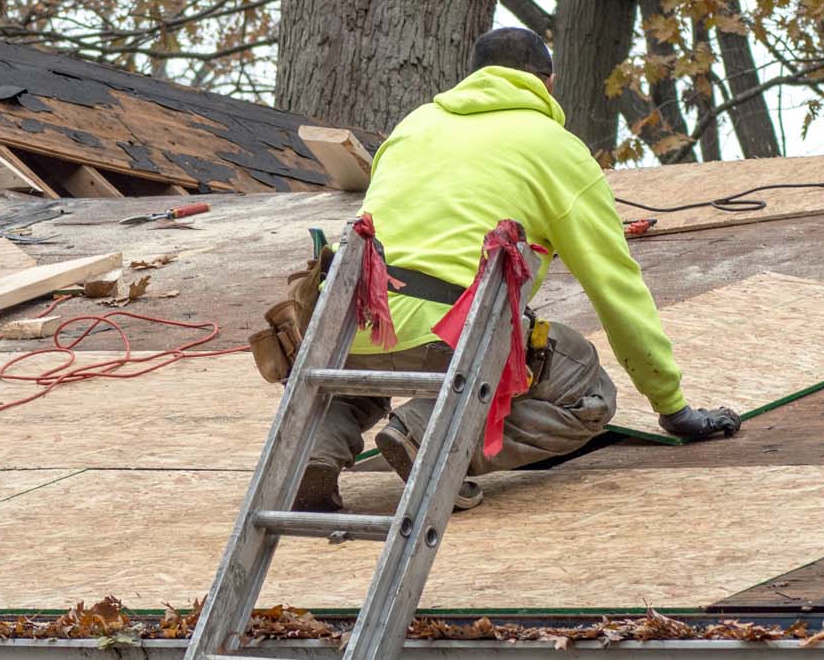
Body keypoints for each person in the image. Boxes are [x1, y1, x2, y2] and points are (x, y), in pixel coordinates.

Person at [296, 27, 740, 513]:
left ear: (474, 77)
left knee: (370, 365)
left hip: (342, 326)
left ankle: (314, 452)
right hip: (447, 334)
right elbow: (616, 288)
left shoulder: (414, 125)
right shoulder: (556, 148)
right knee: (588, 393)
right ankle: (432, 435)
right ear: (548, 83)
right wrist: (672, 408)